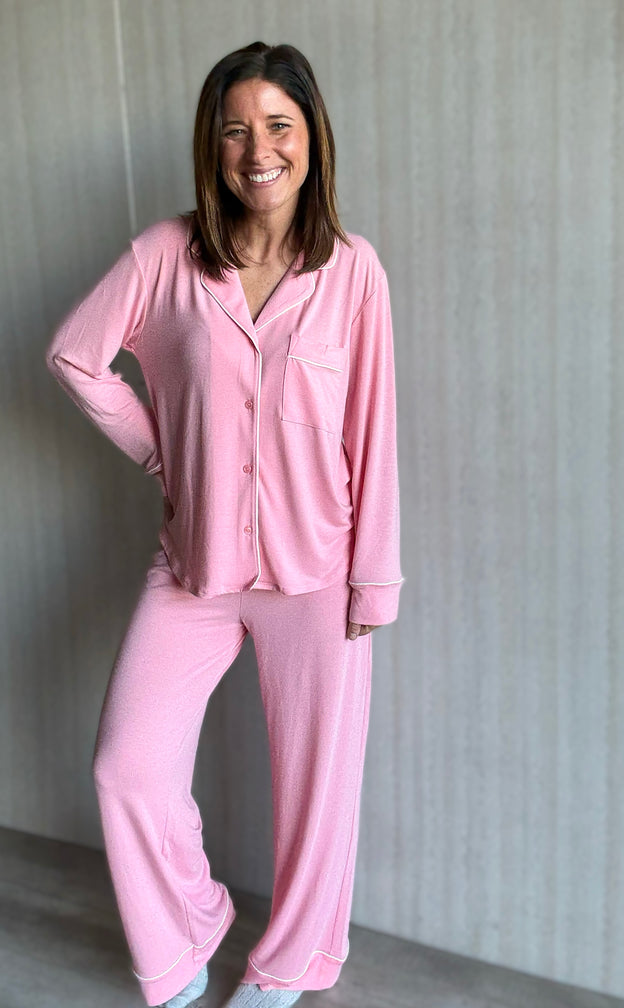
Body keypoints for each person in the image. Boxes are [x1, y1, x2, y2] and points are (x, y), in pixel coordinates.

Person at [45, 40, 404, 1008]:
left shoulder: (353, 272)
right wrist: (163, 449)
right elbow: (77, 355)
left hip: (319, 571)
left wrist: (374, 578)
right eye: (236, 129)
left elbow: (372, 430)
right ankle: (188, 930)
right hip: (194, 564)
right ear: (214, 145)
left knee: (316, 797)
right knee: (127, 764)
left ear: (310, 138)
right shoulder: (166, 255)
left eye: (277, 126)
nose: (258, 149)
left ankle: (287, 967)